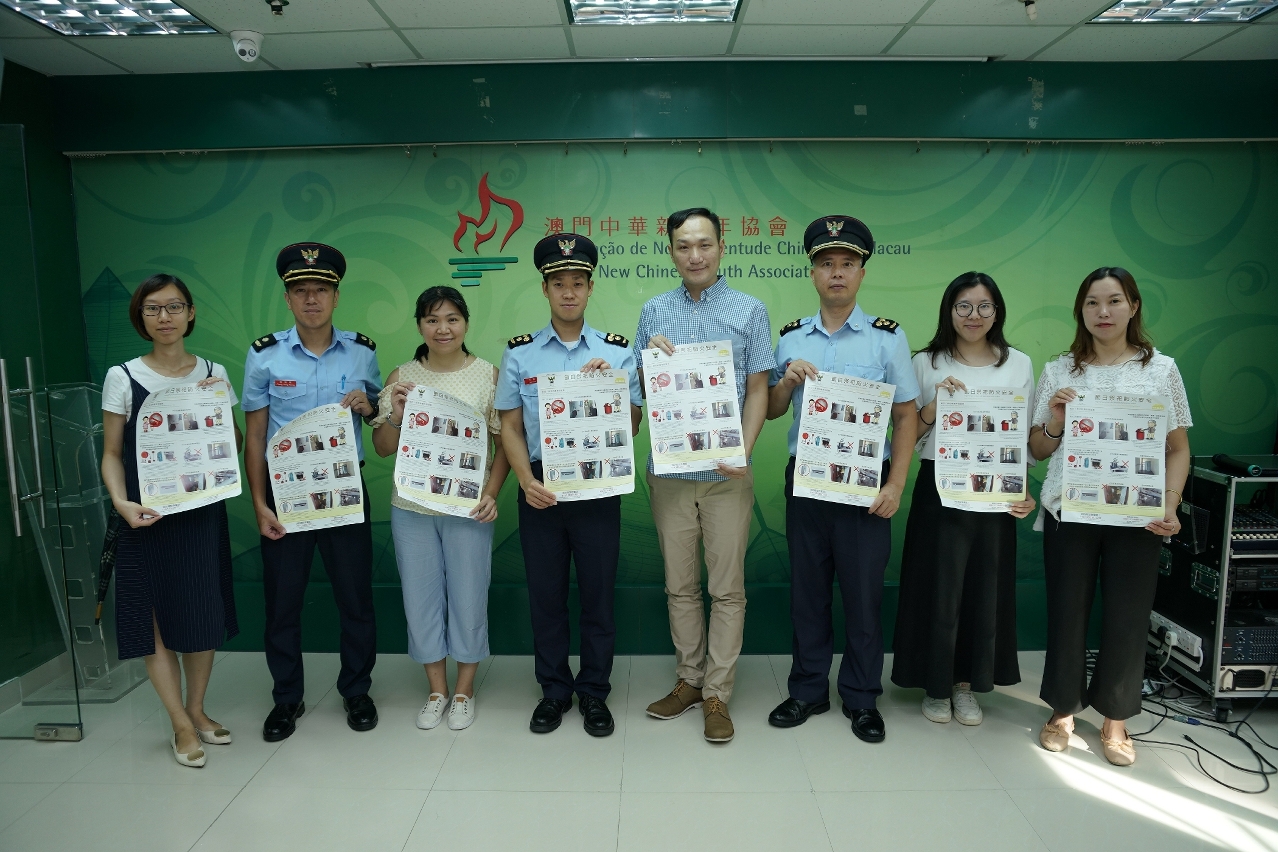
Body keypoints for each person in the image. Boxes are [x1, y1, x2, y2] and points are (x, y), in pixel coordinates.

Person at [764, 216, 919, 743]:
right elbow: (772, 410)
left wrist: (895, 485)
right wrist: (786, 382)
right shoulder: (791, 338)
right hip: (806, 481)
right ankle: (808, 689)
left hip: (865, 484)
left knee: (863, 594)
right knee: (807, 593)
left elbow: (906, 416)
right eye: (826, 263)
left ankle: (861, 696)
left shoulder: (887, 340)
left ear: (861, 273)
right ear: (812, 272)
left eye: (847, 264)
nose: (836, 273)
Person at [1028, 266, 1190, 766]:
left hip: (1137, 516)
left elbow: (1178, 449)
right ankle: (1062, 710)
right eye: (1093, 302)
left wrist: (1170, 502)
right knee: (1067, 611)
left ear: (1133, 306)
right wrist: (1055, 422)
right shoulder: (1059, 370)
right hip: (1070, 510)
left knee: (1127, 616)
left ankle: (1116, 719)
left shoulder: (1161, 371)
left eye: (1114, 301)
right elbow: (1036, 449)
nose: (1103, 312)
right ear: (1081, 310)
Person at [496, 233, 642, 737]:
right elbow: (509, 426)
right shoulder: (520, 353)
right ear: (545, 289)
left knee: (598, 595)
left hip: (598, 487)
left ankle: (595, 691)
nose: (569, 292)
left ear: (590, 287)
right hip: (540, 486)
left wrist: (610, 389)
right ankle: (554, 690)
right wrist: (525, 480)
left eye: (578, 283)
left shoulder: (616, 353)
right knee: (547, 595)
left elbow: (634, 425)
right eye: (559, 284)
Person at [635, 208, 773, 744]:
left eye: (704, 244)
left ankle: (717, 692)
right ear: (671, 251)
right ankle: (689, 681)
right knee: (680, 586)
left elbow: (758, 388)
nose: (695, 255)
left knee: (727, 589)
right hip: (670, 472)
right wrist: (648, 361)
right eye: (684, 246)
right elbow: (642, 391)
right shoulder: (653, 310)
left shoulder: (749, 310)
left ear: (721, 246)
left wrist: (744, 450)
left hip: (726, 474)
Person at [242, 243, 382, 741]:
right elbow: (255, 437)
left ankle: (357, 689)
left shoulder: (363, 351)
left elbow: (378, 414)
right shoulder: (264, 356)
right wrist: (259, 504)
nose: (311, 299)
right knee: (283, 602)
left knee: (355, 597)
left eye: (321, 289)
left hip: (345, 488)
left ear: (336, 296)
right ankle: (287, 698)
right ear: (287, 299)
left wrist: (369, 407)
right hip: (286, 493)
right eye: (300, 290)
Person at [100, 274, 240, 768]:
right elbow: (111, 452)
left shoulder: (214, 371)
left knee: (201, 613)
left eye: (174, 306)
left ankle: (198, 708)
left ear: (190, 313)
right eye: (153, 308)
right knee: (153, 620)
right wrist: (120, 502)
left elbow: (233, 444)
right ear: (141, 317)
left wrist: (217, 404)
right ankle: (179, 721)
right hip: (146, 516)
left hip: (201, 512)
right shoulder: (123, 376)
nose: (165, 317)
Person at [890, 272, 1036, 727]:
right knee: (937, 586)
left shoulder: (1019, 364)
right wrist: (934, 408)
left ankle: (965, 685)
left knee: (982, 589)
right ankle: (935, 686)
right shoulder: (925, 362)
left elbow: (1022, 438)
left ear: (997, 311)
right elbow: (907, 434)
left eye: (984, 306)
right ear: (949, 311)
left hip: (994, 491)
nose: (974, 316)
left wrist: (1021, 487)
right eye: (964, 306)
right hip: (941, 486)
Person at [371, 286, 510, 731]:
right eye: (432, 320)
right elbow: (382, 447)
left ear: (465, 323)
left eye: (451, 319)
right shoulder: (403, 376)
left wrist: (491, 493)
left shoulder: (488, 375)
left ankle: (464, 690)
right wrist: (396, 413)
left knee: (469, 596)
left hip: (468, 507)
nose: (442, 328)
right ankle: (437, 690)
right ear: (420, 326)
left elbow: (504, 444)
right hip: (411, 506)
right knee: (420, 598)